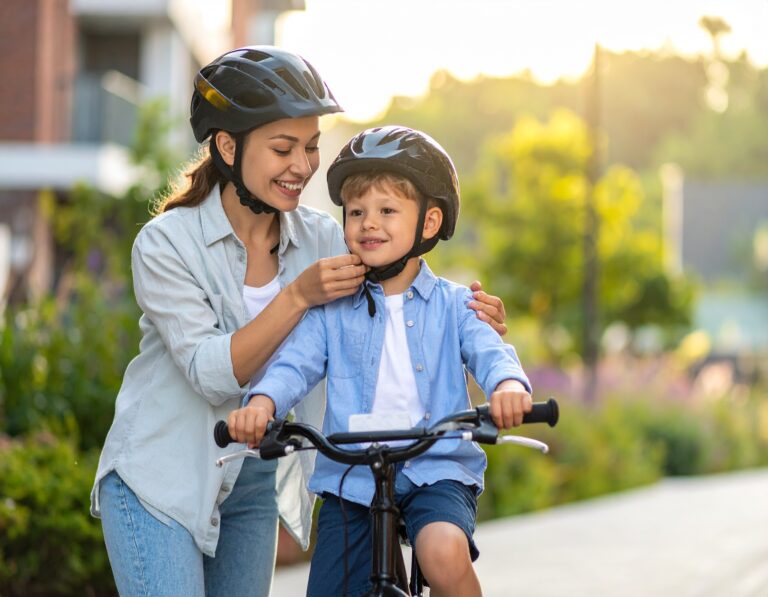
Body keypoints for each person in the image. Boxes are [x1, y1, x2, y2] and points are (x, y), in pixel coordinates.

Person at [90, 47, 509, 597]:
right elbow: (215, 374)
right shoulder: (167, 244)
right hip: (163, 478)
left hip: (251, 481)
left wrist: (470, 316)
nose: (302, 166)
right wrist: (296, 296)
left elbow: (400, 273)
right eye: (283, 148)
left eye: (310, 147)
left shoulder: (322, 236)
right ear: (227, 146)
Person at [228, 125, 533, 597]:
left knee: (442, 552)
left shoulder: (455, 305)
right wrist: (262, 403)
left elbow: (491, 353)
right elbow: (294, 364)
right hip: (352, 477)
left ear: (429, 223)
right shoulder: (330, 311)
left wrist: (508, 389)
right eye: (356, 212)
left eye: (387, 210)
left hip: (438, 467)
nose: (369, 223)